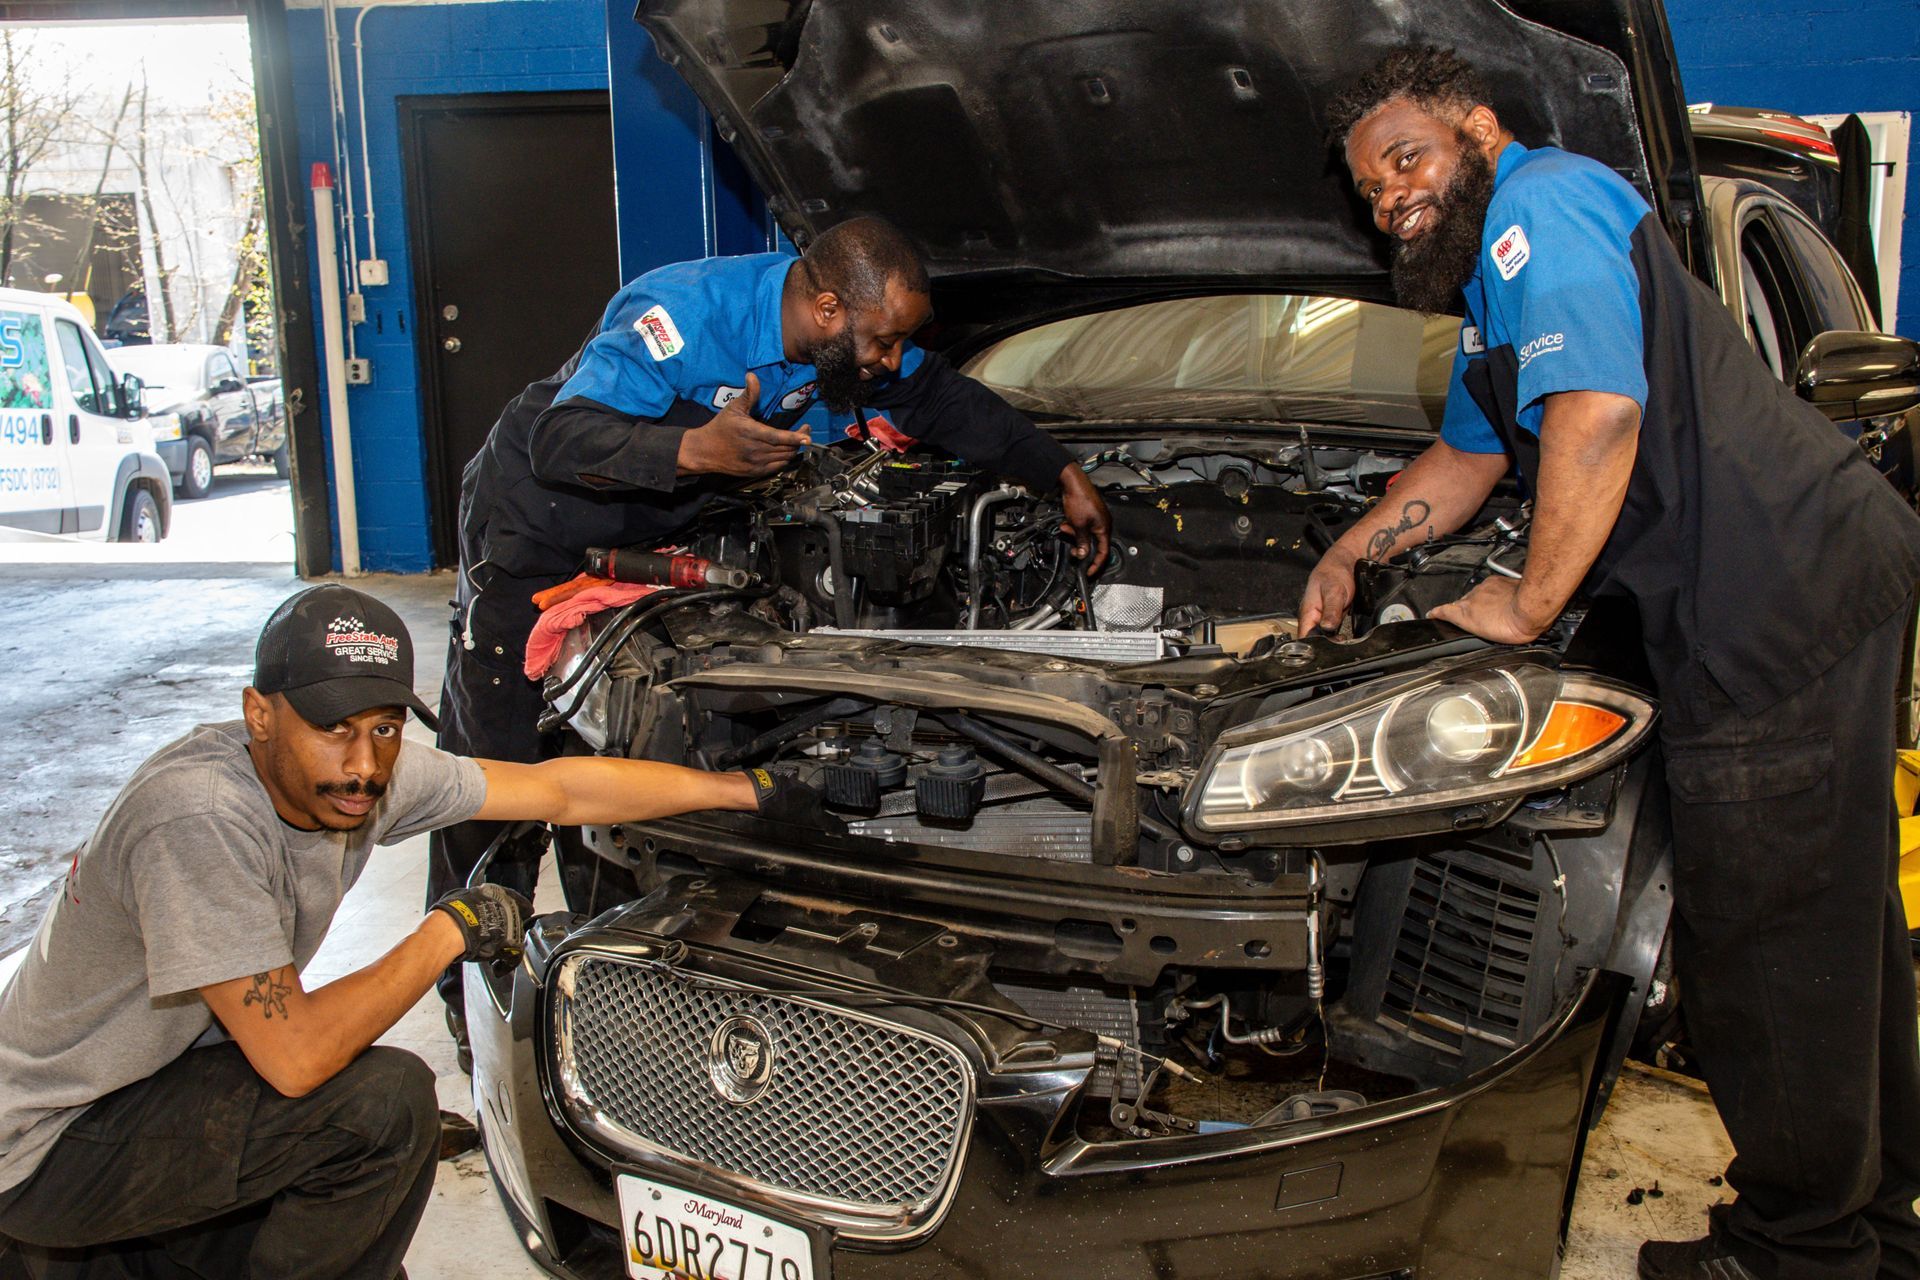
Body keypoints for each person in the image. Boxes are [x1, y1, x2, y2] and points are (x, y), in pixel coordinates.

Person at [1304, 47, 1920, 1280]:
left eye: (1407, 160)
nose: (1391, 199)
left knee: (1765, 943)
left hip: (1772, 605)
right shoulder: (1491, 290)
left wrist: (1525, 605)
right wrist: (1345, 557)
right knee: (1842, 924)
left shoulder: (1545, 201)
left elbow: (1597, 408)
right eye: (1372, 189)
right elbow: (1466, 461)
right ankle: (1887, 1210)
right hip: (1802, 582)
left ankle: (1802, 1252)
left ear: (1479, 129)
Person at [0, 584, 821, 1279]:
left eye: (384, 726)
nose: (362, 765)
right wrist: (450, 927)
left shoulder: (366, 776)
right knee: (381, 1110)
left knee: (360, 1211)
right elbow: (294, 1060)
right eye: (333, 728)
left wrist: (746, 791)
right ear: (258, 714)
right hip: (50, 1149)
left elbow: (559, 791)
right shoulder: (200, 818)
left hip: (168, 1083)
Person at [431, 214, 1111, 1027]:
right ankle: (470, 1012)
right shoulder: (685, 313)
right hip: (537, 528)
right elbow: (560, 436)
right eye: (883, 342)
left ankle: (599, 996)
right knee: (496, 775)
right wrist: (694, 452)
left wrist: (1059, 471)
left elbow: (938, 395)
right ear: (828, 309)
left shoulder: (841, 349)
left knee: (623, 753)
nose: (889, 361)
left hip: (658, 549)